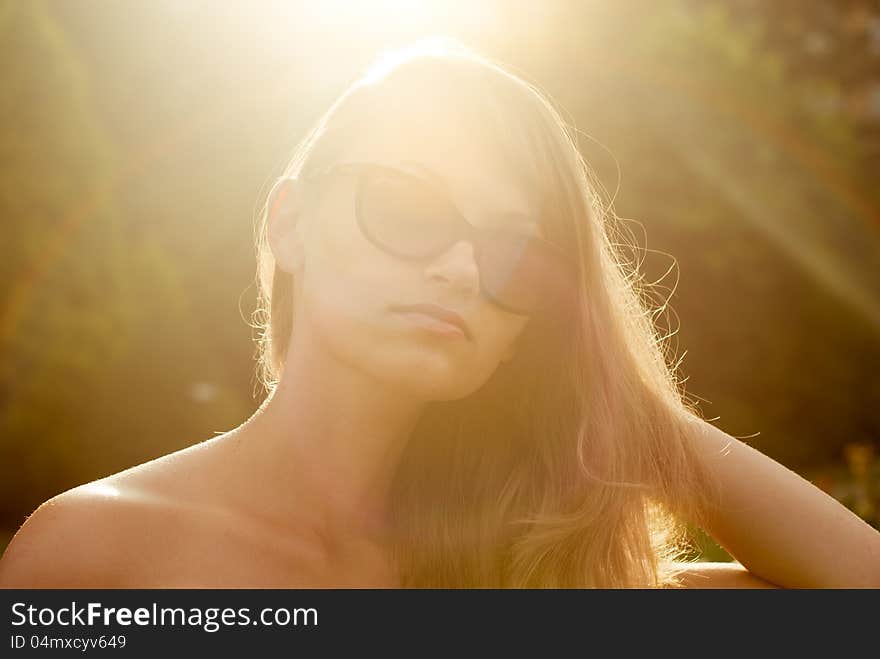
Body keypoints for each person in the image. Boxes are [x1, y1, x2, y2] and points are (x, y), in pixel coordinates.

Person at [1, 40, 878, 589]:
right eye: (412, 210)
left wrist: (623, 408)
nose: (461, 268)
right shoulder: (98, 555)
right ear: (290, 225)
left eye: (514, 253)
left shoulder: (539, 577)